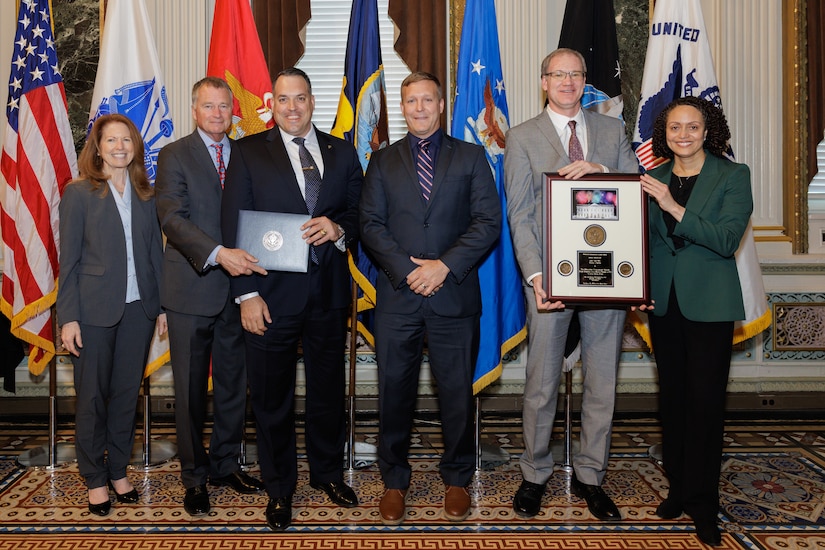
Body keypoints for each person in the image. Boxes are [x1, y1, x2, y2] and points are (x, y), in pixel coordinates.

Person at [220, 67, 362, 532]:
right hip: (268, 298)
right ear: (272, 104)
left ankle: (326, 475)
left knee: (326, 394)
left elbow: (361, 212)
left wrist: (340, 229)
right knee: (271, 398)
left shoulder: (342, 152)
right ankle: (279, 488)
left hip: (328, 297)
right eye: (284, 99)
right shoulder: (246, 153)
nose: (293, 107)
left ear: (312, 101)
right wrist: (246, 294)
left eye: (300, 98)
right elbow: (232, 227)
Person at [503, 48, 639, 522]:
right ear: (543, 82)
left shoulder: (611, 130)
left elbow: (636, 186)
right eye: (557, 74)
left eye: (575, 74)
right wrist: (536, 277)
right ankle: (535, 474)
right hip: (549, 280)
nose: (567, 81)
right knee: (541, 383)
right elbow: (519, 214)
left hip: (606, 277)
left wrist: (602, 171)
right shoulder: (521, 137)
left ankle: (590, 477)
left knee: (602, 382)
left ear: (585, 80)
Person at [360, 72, 501, 525]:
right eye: (411, 101)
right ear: (402, 108)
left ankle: (457, 477)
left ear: (441, 105)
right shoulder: (381, 161)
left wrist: (442, 267)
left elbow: (487, 222)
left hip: (453, 295)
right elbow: (370, 226)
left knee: (456, 393)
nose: (419, 108)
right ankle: (394, 481)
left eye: (427, 100)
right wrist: (408, 270)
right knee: (393, 393)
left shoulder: (473, 156)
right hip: (399, 297)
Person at [639, 96, 752, 547]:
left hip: (708, 305)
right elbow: (643, 243)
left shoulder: (732, 175)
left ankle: (704, 504)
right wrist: (637, 287)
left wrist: (672, 205)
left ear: (708, 132)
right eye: (674, 128)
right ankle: (678, 490)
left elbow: (726, 240)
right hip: (663, 304)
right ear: (663, 133)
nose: (682, 135)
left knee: (705, 406)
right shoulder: (655, 178)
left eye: (692, 127)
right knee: (673, 404)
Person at [155, 76, 266, 517]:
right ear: (194, 109)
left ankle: (225, 464)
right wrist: (220, 254)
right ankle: (194, 477)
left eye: (224, 107)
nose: (218, 114)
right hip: (191, 289)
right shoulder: (174, 154)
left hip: (239, 292)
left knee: (233, 387)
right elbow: (172, 219)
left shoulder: (247, 154)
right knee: (188, 394)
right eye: (209, 106)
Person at [57, 114, 167, 516]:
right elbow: (67, 260)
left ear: (135, 146)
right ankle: (95, 478)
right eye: (111, 140)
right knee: (91, 398)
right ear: (98, 147)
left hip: (139, 310)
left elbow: (156, 253)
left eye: (127, 140)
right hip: (91, 313)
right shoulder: (79, 192)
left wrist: (161, 308)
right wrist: (68, 317)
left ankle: (119, 469)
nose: (120, 147)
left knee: (125, 397)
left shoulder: (146, 193)